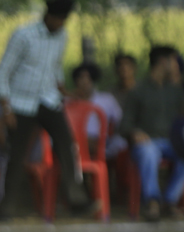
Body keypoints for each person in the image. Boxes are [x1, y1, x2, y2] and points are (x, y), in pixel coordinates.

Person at [0, 0, 92, 220]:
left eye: (64, 20)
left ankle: (76, 200)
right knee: (17, 155)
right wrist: (6, 108)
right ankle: (6, 209)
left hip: (48, 100)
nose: (61, 24)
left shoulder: (62, 36)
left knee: (67, 145)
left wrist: (64, 90)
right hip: (21, 103)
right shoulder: (24, 35)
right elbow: (3, 72)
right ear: (48, 16)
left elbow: (55, 66)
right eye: (58, 19)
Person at [120, 45, 184, 220]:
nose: (177, 65)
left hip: (171, 143)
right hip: (146, 143)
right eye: (174, 61)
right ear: (163, 62)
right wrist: (135, 132)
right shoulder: (138, 91)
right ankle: (152, 202)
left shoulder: (176, 91)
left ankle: (169, 201)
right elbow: (124, 125)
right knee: (149, 151)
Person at [70, 62, 126, 159]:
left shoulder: (106, 99)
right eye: (81, 78)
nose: (84, 82)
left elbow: (121, 120)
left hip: (101, 143)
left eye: (88, 78)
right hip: (73, 142)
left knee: (121, 142)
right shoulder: (68, 102)